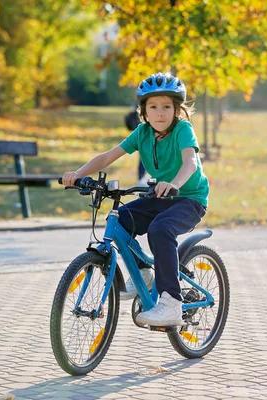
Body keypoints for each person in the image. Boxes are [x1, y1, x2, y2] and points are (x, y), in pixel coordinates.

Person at [62, 72, 209, 327]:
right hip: (161, 196)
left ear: (177, 110)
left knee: (160, 229)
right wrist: (77, 174)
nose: (160, 113)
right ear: (144, 111)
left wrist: (174, 183)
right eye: (153, 107)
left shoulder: (183, 130)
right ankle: (142, 271)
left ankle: (172, 304)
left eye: (166, 106)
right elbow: (107, 157)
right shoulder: (142, 133)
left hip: (189, 199)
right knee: (119, 219)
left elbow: (190, 162)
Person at [124, 104, 148, 185]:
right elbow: (107, 157)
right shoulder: (140, 131)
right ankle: (141, 178)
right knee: (144, 157)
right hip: (143, 138)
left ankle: (142, 178)